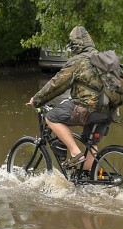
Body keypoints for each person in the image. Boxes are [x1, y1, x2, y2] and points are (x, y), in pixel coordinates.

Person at [27, 25, 110, 175]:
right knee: (91, 142)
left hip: (88, 108)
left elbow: (56, 84)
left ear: (74, 45)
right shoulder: (102, 58)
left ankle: (75, 153)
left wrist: (37, 99)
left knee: (51, 117)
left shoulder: (78, 61)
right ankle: (87, 178)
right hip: (109, 109)